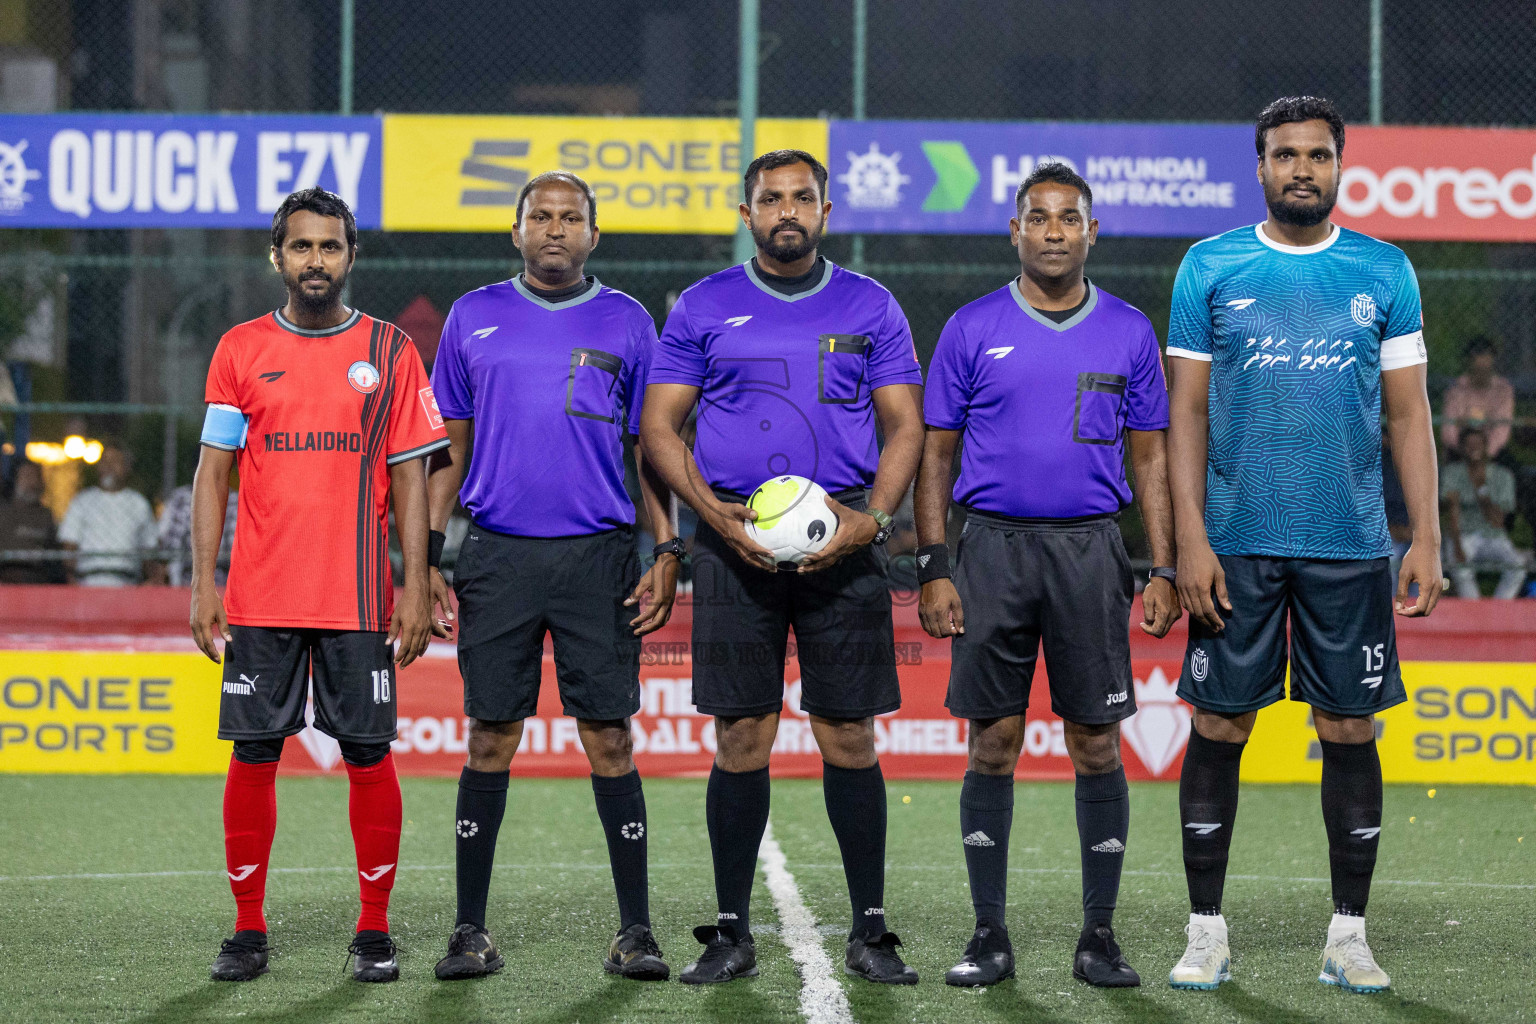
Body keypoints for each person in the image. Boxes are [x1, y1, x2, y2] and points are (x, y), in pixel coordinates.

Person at [1165, 96, 1443, 994]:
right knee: (1218, 722)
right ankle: (1206, 929)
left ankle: (1348, 936)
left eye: (1317, 155)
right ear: (1260, 167)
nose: (1301, 169)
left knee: (1348, 725)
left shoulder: (1383, 269)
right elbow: (1186, 416)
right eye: (1285, 154)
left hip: (1350, 542)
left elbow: (1409, 414)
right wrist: (1188, 545)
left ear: (1339, 165)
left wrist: (1427, 534)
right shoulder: (1210, 266)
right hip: (1235, 544)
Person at [641, 149, 925, 985]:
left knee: (847, 733)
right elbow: (661, 428)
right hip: (736, 543)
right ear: (747, 212)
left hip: (842, 545)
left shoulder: (871, 304)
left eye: (803, 197)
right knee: (740, 737)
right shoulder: (703, 306)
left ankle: (870, 930)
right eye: (771, 199)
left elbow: (904, 425)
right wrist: (713, 519)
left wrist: (869, 520)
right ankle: (730, 931)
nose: (787, 210)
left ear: (827, 212)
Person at [916, 162, 1182, 989]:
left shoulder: (1130, 330)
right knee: (992, 743)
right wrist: (934, 566)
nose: (1056, 230)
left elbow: (1151, 458)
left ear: (1092, 232)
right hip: (990, 549)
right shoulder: (970, 326)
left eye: (1071, 217)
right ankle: (988, 934)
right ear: (1016, 232)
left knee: (1095, 742)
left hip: (1090, 551)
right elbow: (934, 456)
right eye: (1041, 217)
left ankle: (1097, 935)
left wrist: (1163, 566)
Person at [189, 187, 448, 984]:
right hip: (262, 596)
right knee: (255, 752)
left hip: (360, 598)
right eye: (300, 247)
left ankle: (373, 930)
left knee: (369, 756)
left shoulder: (391, 350)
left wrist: (415, 583)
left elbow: (413, 476)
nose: (315, 261)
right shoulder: (237, 349)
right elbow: (213, 473)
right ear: (278, 256)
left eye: (329, 247)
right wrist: (204, 583)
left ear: (349, 256)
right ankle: (246, 930)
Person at [425, 171, 680, 982]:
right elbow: (447, 455)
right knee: (490, 735)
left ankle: (635, 931)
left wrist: (667, 550)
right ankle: (469, 931)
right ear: (517, 229)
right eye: (542, 215)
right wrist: (428, 559)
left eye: (572, 218)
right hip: (497, 552)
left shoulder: (630, 322)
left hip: (599, 556)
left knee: (609, 735)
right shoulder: (471, 316)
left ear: (594, 236)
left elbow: (654, 451)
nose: (557, 229)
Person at [58, 445, 162, 586]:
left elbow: (149, 549)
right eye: (105, 461)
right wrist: (71, 581)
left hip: (127, 583)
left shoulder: (138, 503)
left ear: (127, 467)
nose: (109, 466)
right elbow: (69, 546)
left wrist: (151, 581)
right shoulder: (82, 501)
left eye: (115, 461)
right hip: (87, 582)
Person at [1442, 425, 1525, 599]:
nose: (1474, 448)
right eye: (1469, 444)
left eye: (1478, 444)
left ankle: (1498, 612)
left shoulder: (1502, 475)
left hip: (1494, 535)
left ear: (1486, 447)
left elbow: (1498, 521)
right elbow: (1453, 511)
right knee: (1459, 565)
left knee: (1518, 565)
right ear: (1461, 448)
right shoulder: (1452, 472)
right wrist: (1457, 545)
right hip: (1463, 535)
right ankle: (1475, 613)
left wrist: (1481, 488)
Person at [1440, 336, 1514, 459]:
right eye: (1477, 362)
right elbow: (1449, 429)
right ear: (1469, 362)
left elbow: (1502, 430)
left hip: (1493, 452)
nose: (1481, 368)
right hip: (1460, 449)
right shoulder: (1456, 389)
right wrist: (1466, 451)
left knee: (1510, 464)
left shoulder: (1503, 390)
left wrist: (1484, 453)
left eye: (1485, 359)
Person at [158, 482, 237, 586]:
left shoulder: (235, 500)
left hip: (224, 578)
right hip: (184, 577)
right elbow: (166, 541)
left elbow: (237, 549)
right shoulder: (180, 498)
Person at [0, 460, 65, 584]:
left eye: (36, 477)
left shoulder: (45, 515)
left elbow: (55, 556)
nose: (33, 483)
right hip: (6, 579)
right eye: (27, 476)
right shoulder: (3, 512)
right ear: (15, 480)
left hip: (38, 580)